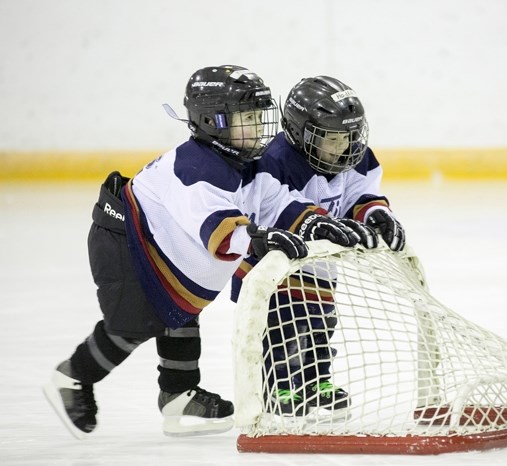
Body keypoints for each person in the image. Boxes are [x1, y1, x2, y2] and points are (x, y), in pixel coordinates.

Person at [43, 65, 360, 439]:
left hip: (158, 242)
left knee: (180, 313)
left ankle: (177, 396)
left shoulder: (245, 162)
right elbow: (219, 229)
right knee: (133, 325)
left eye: (259, 117)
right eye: (246, 118)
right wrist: (256, 239)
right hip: (126, 242)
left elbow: (276, 201)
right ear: (213, 121)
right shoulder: (197, 166)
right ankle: (72, 377)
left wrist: (311, 221)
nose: (257, 128)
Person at [230, 75, 406, 416]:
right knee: (280, 326)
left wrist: (376, 213)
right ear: (300, 133)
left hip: (318, 265)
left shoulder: (358, 157)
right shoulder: (273, 159)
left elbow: (360, 194)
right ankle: (277, 385)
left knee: (320, 322)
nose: (342, 147)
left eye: (348, 137)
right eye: (331, 139)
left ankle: (315, 381)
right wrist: (311, 221)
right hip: (270, 264)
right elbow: (271, 206)